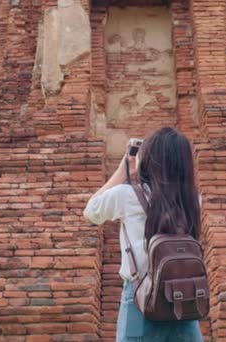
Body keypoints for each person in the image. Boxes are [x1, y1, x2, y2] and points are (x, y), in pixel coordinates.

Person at [83, 127, 204, 342]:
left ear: (150, 159)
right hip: (184, 299)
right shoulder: (193, 200)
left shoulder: (127, 196)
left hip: (140, 299)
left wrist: (123, 171)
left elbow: (91, 212)